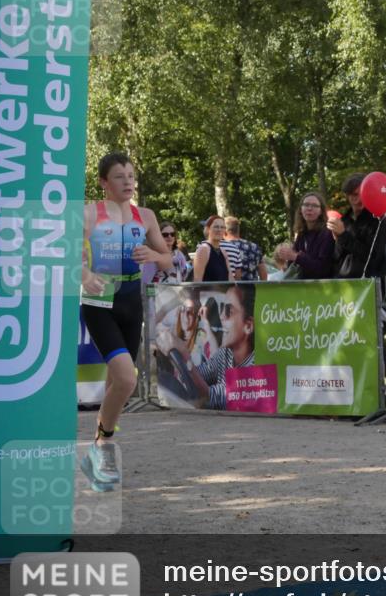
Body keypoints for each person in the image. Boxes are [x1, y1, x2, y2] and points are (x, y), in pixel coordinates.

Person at [80, 152, 173, 490]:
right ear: (104, 182)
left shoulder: (145, 215)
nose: (128, 181)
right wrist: (85, 273)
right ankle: (102, 444)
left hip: (132, 301)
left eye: (131, 175)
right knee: (126, 379)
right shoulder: (89, 213)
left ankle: (96, 459)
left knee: (114, 382)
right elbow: (67, 254)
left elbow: (167, 260)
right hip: (99, 300)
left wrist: (154, 255)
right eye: (119, 176)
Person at [158, 285, 255, 410]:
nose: (221, 316)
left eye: (228, 311)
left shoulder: (254, 366)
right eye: (221, 309)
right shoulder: (225, 354)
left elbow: (211, 396)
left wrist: (185, 356)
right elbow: (200, 374)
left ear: (248, 326)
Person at [329, 173, 386, 278]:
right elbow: (337, 257)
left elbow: (372, 257)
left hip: (369, 283)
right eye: (354, 195)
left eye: (362, 193)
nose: (359, 199)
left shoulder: (377, 220)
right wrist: (337, 237)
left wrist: (343, 235)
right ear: (348, 196)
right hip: (344, 283)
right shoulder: (344, 220)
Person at [277, 191, 336, 279]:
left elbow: (323, 268)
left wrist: (296, 257)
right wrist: (287, 258)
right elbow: (294, 263)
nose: (309, 208)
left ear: (321, 211)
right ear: (301, 209)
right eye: (306, 204)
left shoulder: (326, 233)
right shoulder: (302, 233)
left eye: (315, 205)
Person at [223, 216, 267, 281]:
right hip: (252, 288)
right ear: (238, 230)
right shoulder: (254, 247)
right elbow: (263, 274)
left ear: (224, 232)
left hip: (230, 289)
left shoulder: (222, 247)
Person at [194, 215, 231, 282]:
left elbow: (230, 279)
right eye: (216, 227)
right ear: (208, 229)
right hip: (206, 292)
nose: (219, 230)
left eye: (222, 227)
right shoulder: (203, 249)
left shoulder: (223, 252)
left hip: (223, 292)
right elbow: (197, 281)